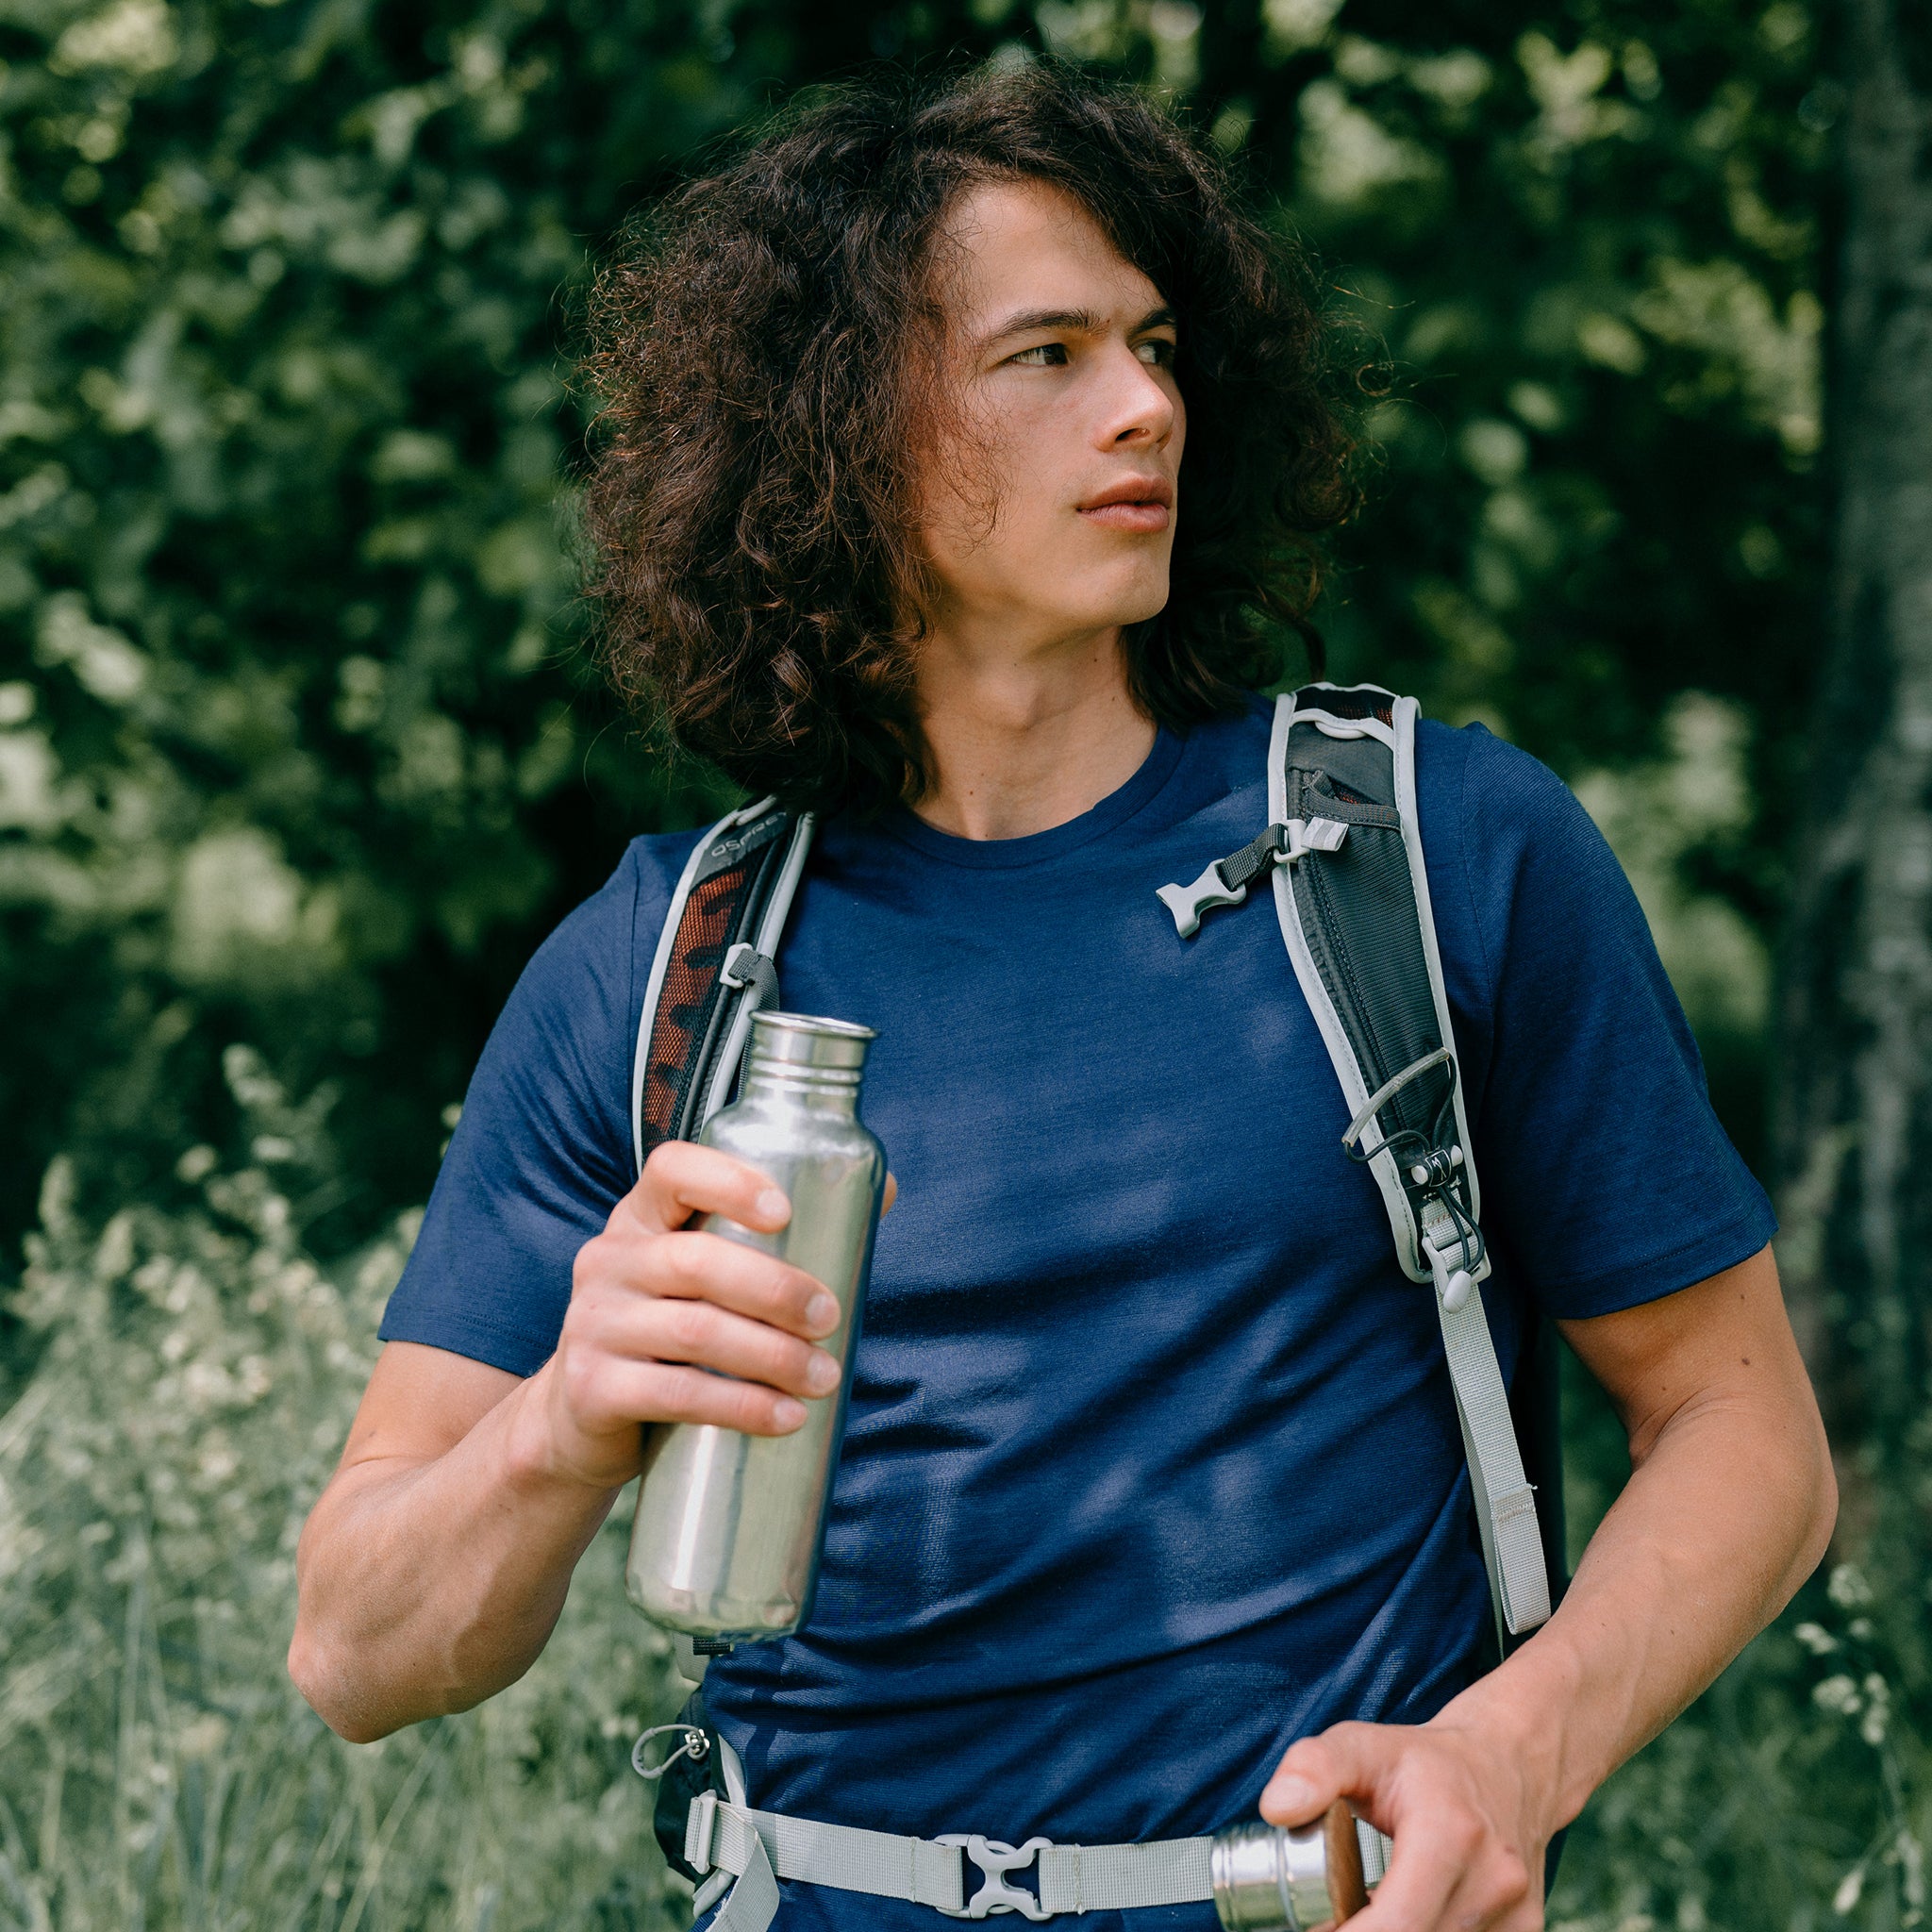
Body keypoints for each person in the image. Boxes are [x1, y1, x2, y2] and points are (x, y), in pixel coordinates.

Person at [289, 62, 1836, 1932]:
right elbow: (357, 1649)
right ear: (845, 432)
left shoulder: (1427, 857)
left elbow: (1746, 1436)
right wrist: (561, 1420)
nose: (1147, 406)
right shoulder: (666, 963)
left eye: (1160, 343)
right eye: (1049, 355)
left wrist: (1514, 1749)